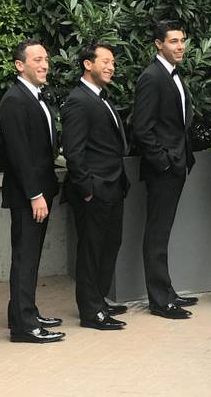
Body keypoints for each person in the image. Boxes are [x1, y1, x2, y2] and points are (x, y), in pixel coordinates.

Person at [0, 40, 65, 343]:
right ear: (19, 65)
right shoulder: (14, 100)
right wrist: (35, 194)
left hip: (41, 190)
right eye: (37, 59)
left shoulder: (38, 97)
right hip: (29, 194)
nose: (44, 64)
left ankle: (25, 312)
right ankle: (24, 326)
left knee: (31, 256)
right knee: (24, 257)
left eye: (46, 59)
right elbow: (19, 153)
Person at [62, 43, 130, 330]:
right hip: (94, 190)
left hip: (113, 186)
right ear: (88, 64)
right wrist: (88, 189)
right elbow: (74, 152)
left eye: (113, 62)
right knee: (91, 250)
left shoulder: (101, 98)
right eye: (105, 61)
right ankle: (91, 311)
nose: (111, 66)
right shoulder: (79, 100)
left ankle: (99, 301)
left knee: (109, 245)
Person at [132, 22, 197, 319]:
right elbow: (142, 129)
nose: (180, 46)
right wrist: (165, 162)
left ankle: (167, 292)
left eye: (182, 41)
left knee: (163, 232)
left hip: (176, 165)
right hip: (163, 169)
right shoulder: (151, 77)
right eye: (173, 41)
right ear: (159, 44)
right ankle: (159, 300)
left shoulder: (172, 75)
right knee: (157, 233)